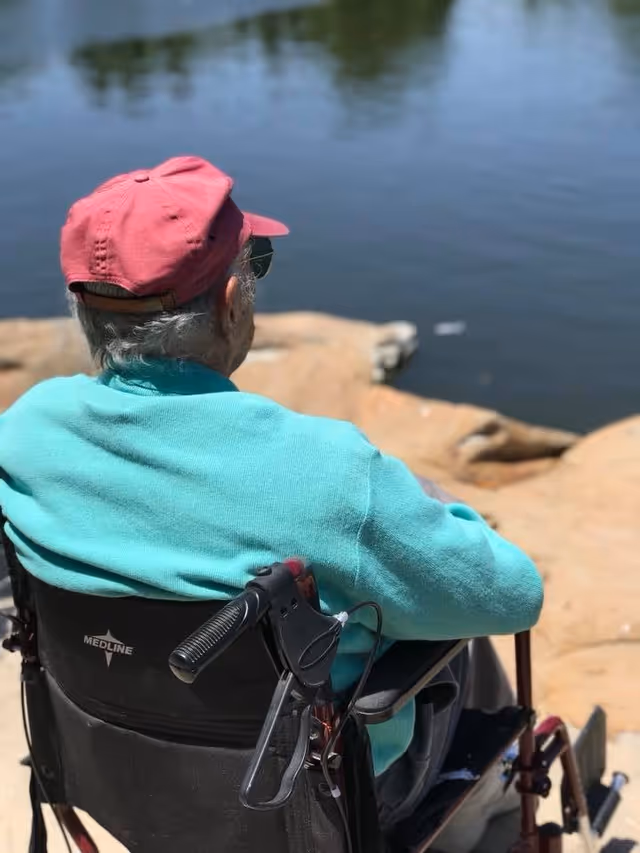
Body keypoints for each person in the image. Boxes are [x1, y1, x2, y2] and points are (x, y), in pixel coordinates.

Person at [0, 156, 542, 851]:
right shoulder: (326, 472)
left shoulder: (24, 431)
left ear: (84, 310)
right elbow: (513, 592)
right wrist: (438, 506)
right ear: (232, 300)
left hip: (112, 776)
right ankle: (488, 821)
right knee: (457, 637)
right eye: (256, 265)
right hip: (305, 809)